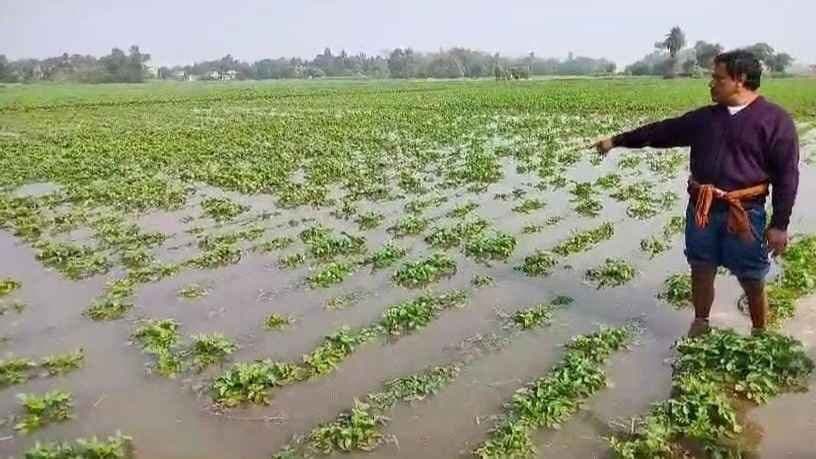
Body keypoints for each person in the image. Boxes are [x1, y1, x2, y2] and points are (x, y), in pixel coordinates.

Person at [594, 50, 799, 337]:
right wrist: (616, 140)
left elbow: (787, 176)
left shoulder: (775, 121)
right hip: (701, 210)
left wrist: (780, 224)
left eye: (718, 77)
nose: (711, 83)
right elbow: (661, 132)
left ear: (739, 80)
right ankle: (701, 322)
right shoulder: (705, 118)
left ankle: (759, 331)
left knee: (752, 277)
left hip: (745, 212)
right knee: (701, 268)